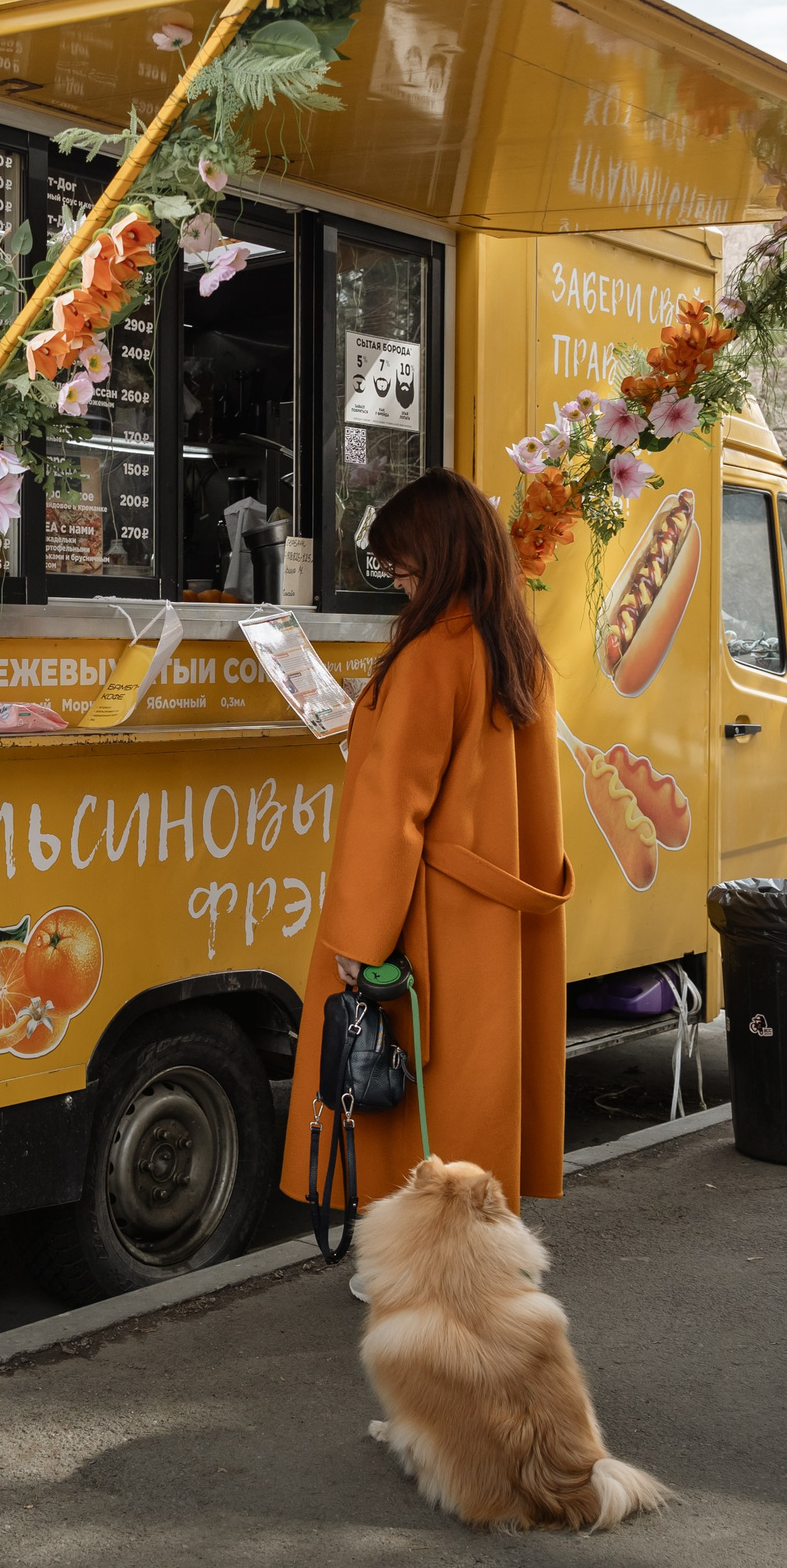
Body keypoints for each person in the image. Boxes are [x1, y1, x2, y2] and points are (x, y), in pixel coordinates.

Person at [279, 467, 573, 1225]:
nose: (396, 578)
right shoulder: (516, 651)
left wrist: (356, 936)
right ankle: (473, 1251)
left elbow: (390, 811)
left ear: (437, 554)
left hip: (424, 924)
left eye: (400, 560)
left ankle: (414, 1268)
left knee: (406, 1113)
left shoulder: (430, 655)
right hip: (495, 926)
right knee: (474, 1104)